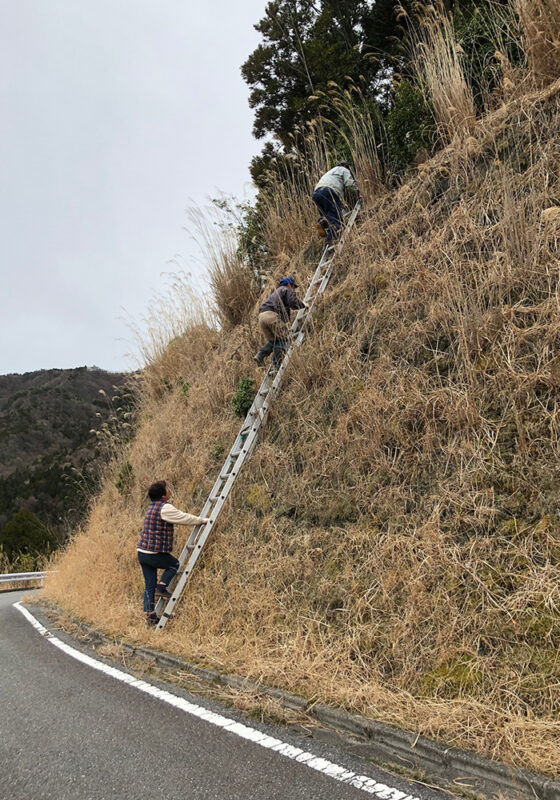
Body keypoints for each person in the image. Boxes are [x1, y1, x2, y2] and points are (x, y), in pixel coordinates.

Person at [137, 480, 210, 626]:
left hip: (142, 552)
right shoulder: (164, 508)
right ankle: (162, 586)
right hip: (153, 553)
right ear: (163, 494)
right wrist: (201, 520)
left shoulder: (151, 507)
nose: (169, 491)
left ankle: (151, 616)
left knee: (149, 584)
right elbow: (183, 517)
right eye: (167, 489)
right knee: (173, 564)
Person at [254, 277, 306, 369]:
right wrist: (303, 305)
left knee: (274, 341)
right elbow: (292, 302)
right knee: (283, 339)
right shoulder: (286, 289)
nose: (293, 289)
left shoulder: (277, 293)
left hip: (262, 317)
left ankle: (260, 355)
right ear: (289, 284)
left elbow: (287, 308)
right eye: (293, 286)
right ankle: (276, 364)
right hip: (271, 315)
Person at [312, 162, 360, 243]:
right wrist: (357, 192)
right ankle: (330, 239)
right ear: (345, 166)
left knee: (327, 217)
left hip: (316, 193)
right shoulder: (344, 170)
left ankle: (322, 223)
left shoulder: (330, 172)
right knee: (336, 219)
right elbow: (349, 184)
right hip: (328, 191)